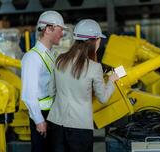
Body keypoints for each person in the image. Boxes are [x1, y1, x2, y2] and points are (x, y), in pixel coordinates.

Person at [47, 19, 119, 152]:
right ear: (94, 40)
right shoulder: (94, 67)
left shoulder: (59, 60)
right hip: (79, 128)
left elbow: (51, 91)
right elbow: (103, 98)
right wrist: (111, 81)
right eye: (99, 40)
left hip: (56, 124)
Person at [21, 10, 67, 152]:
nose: (62, 34)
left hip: (52, 115)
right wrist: (39, 120)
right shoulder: (32, 58)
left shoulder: (50, 54)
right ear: (48, 29)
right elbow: (28, 95)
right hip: (42, 116)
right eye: (60, 29)